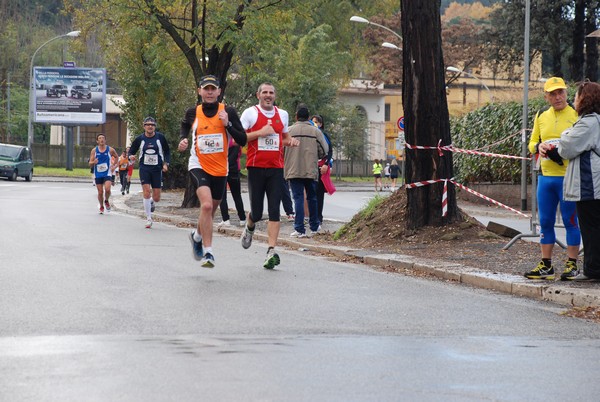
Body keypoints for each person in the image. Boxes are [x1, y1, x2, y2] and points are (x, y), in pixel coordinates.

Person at [179, 75, 247, 268]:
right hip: (198, 163)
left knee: (211, 209)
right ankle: (209, 253)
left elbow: (242, 139)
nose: (209, 92)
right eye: (205, 89)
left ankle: (197, 236)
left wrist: (228, 125)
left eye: (213, 89)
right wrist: (183, 139)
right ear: (199, 91)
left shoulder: (228, 112)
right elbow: (185, 124)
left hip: (220, 167)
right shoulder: (194, 112)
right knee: (207, 206)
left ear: (219, 91)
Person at [541, 80, 600, 281]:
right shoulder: (594, 120)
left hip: (589, 185)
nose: (573, 99)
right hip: (591, 184)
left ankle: (593, 271)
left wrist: (564, 135)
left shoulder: (588, 122)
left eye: (575, 95)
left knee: (590, 228)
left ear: (585, 99)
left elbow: (566, 147)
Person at [524, 77, 581, 280]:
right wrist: (538, 147)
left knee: (570, 221)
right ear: (546, 96)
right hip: (546, 178)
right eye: (553, 94)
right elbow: (532, 143)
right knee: (546, 221)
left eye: (561, 93)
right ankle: (546, 265)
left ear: (566, 93)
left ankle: (572, 264)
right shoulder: (541, 115)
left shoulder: (576, 114)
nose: (558, 97)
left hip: (569, 177)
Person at [239, 82, 299, 269]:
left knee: (275, 210)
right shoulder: (250, 113)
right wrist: (260, 132)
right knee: (257, 213)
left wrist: (290, 141)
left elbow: (284, 137)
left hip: (276, 169)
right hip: (256, 168)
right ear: (258, 95)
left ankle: (271, 251)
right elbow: (238, 138)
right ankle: (250, 226)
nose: (268, 95)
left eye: (271, 93)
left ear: (275, 96)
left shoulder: (283, 114)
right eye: (264, 92)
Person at [285, 104, 329, 238]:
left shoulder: (289, 130)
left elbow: (281, 150)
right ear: (308, 117)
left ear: (296, 116)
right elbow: (325, 150)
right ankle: (314, 226)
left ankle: (299, 229)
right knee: (312, 198)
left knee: (297, 198)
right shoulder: (316, 131)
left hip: (293, 169)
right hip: (310, 169)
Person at [128, 116, 171, 229]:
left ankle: (151, 201)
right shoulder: (139, 139)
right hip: (144, 168)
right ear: (144, 126)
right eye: (148, 124)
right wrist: (131, 156)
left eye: (152, 124)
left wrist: (166, 163)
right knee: (146, 192)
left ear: (155, 127)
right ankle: (148, 218)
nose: (150, 126)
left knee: (157, 197)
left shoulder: (160, 138)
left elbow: (167, 151)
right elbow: (131, 151)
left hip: (157, 169)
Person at [218, 137, 247, 227]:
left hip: (223, 169)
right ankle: (242, 218)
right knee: (236, 195)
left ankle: (226, 219)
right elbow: (236, 155)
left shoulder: (221, 138)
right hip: (234, 169)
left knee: (222, 196)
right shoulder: (236, 139)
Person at [311, 114, 334, 226]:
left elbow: (329, 151)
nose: (315, 124)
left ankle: (318, 218)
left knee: (319, 194)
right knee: (310, 194)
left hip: (321, 167)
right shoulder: (309, 134)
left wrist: (326, 164)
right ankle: (311, 217)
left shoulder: (324, 135)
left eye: (317, 122)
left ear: (321, 123)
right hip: (310, 167)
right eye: (313, 121)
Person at [89, 133, 119, 214]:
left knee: (108, 189)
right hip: (98, 174)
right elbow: (90, 163)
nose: (101, 139)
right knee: (100, 192)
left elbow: (117, 157)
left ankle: (106, 200)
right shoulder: (94, 150)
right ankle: (101, 205)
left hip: (107, 173)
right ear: (97, 141)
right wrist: (93, 162)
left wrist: (114, 166)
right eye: (99, 138)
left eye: (103, 138)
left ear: (105, 140)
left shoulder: (110, 150)